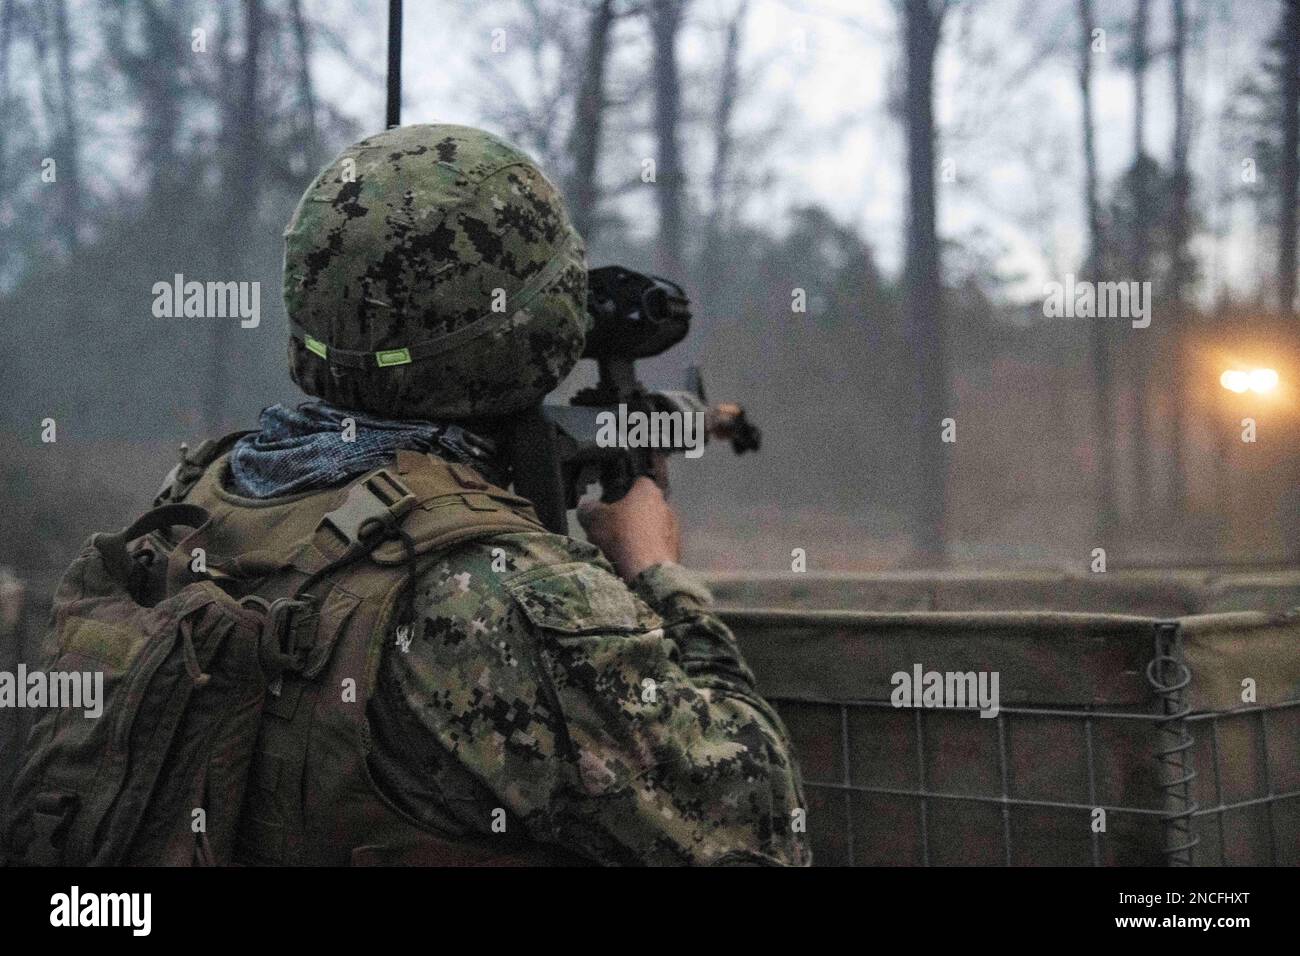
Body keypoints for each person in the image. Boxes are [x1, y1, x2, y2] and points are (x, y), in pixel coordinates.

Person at [156, 123, 809, 866]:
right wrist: (660, 573)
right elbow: (759, 828)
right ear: (537, 332)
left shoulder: (192, 499)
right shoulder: (499, 595)